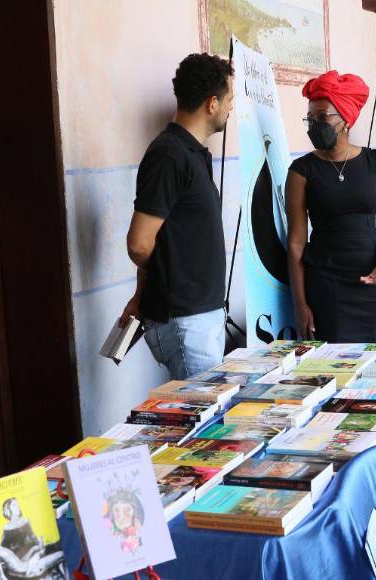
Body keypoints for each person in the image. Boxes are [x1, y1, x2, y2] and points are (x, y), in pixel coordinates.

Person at [119, 53, 234, 379]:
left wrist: (140, 295)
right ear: (212, 103)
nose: (231, 108)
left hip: (199, 317)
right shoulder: (170, 155)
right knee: (205, 424)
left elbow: (165, 236)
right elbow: (140, 245)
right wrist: (164, 281)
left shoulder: (191, 153)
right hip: (186, 322)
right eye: (229, 100)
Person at [286, 70, 376, 342]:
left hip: (369, 277)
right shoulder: (301, 171)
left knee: (367, 354)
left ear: (345, 119)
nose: (314, 124)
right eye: (310, 118)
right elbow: (295, 243)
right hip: (325, 281)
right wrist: (300, 304)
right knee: (332, 362)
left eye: (323, 117)